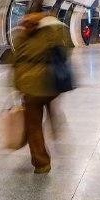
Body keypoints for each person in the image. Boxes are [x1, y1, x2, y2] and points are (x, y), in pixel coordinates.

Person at [12, 10, 68, 174]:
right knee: (50, 104)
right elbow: (64, 53)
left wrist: (16, 86)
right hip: (50, 83)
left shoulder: (22, 36)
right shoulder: (53, 32)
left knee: (33, 125)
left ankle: (41, 163)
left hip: (30, 87)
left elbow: (15, 61)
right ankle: (55, 124)